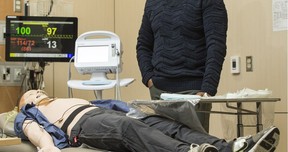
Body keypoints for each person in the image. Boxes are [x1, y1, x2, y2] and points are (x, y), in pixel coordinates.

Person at [136, 0, 228, 132]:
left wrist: (207, 89)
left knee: (194, 146)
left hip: (195, 93)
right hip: (159, 92)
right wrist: (149, 79)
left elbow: (216, 45)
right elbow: (143, 45)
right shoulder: (153, 1)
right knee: (162, 145)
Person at [14, 90, 280, 152]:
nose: (39, 92)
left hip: (111, 113)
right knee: (128, 129)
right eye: (32, 94)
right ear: (26, 103)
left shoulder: (65, 96)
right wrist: (47, 149)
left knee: (168, 125)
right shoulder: (27, 114)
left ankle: (232, 147)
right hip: (83, 124)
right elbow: (37, 135)